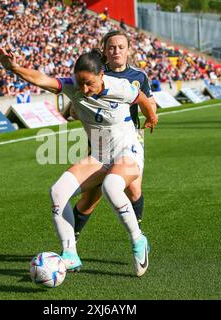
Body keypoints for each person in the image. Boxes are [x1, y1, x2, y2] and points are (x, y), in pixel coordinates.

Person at [0, 43, 158, 277]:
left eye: (89, 82)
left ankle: (138, 240)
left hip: (128, 151)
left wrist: (151, 116)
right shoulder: (73, 87)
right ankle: (70, 254)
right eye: (80, 82)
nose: (84, 88)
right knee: (58, 191)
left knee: (111, 186)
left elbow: (141, 97)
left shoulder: (120, 87)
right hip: (99, 156)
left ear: (102, 75)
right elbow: (41, 79)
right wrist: (14, 68)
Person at [72, 30, 157, 242]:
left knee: (134, 190)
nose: (116, 51)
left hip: (131, 140)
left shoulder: (139, 77)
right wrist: (74, 109)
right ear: (104, 50)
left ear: (128, 50)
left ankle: (137, 237)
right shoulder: (97, 74)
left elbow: (149, 101)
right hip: (100, 141)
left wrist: (151, 114)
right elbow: (74, 105)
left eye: (120, 47)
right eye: (111, 47)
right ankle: (71, 242)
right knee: (91, 197)